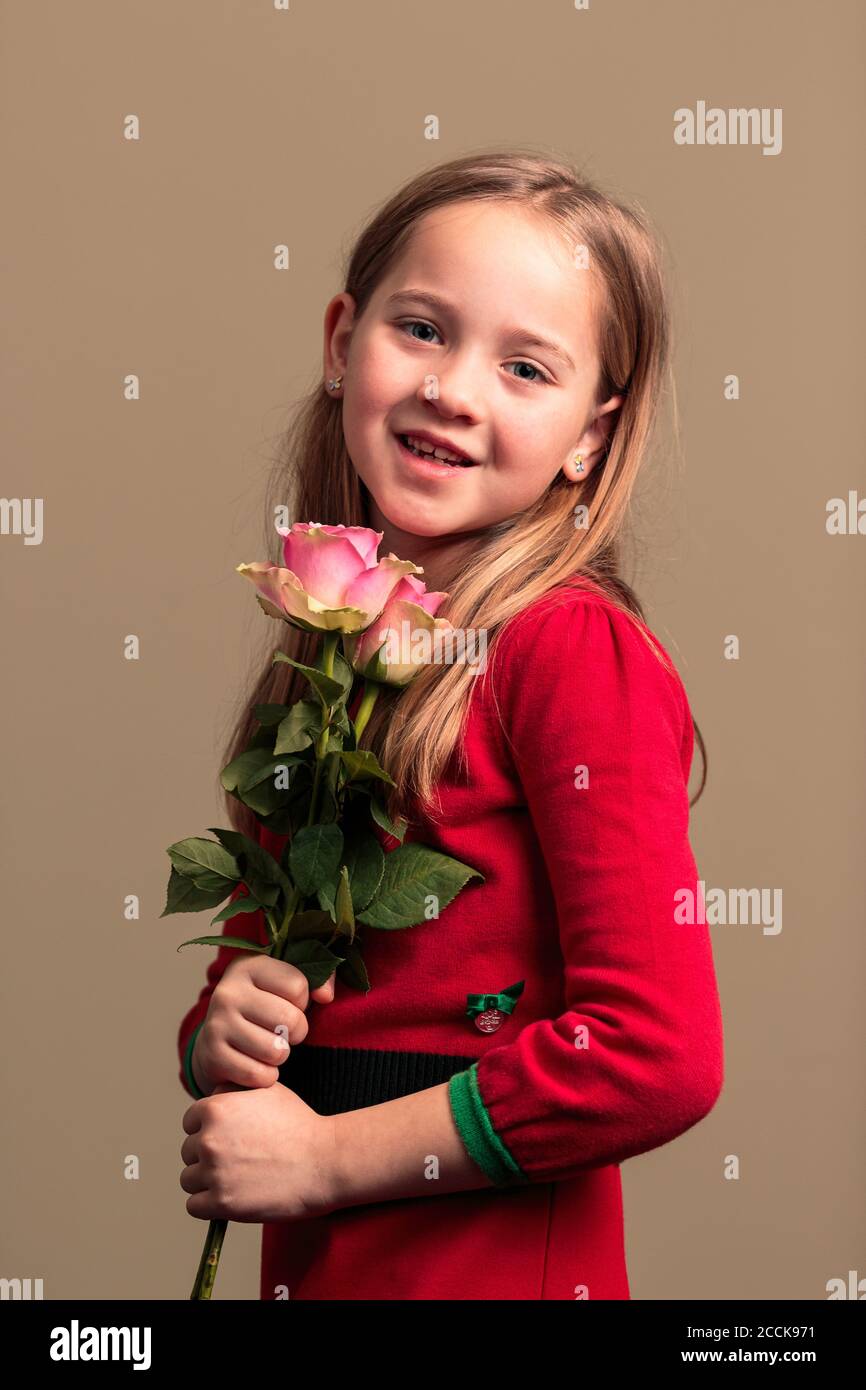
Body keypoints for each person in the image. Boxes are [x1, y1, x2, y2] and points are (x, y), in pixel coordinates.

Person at [177, 149, 724, 1300]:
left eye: (525, 366)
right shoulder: (326, 645)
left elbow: (655, 1055)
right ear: (342, 341)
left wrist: (325, 1157)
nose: (453, 389)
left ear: (588, 432)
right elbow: (264, 965)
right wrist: (220, 1026)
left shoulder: (569, 649)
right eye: (421, 330)